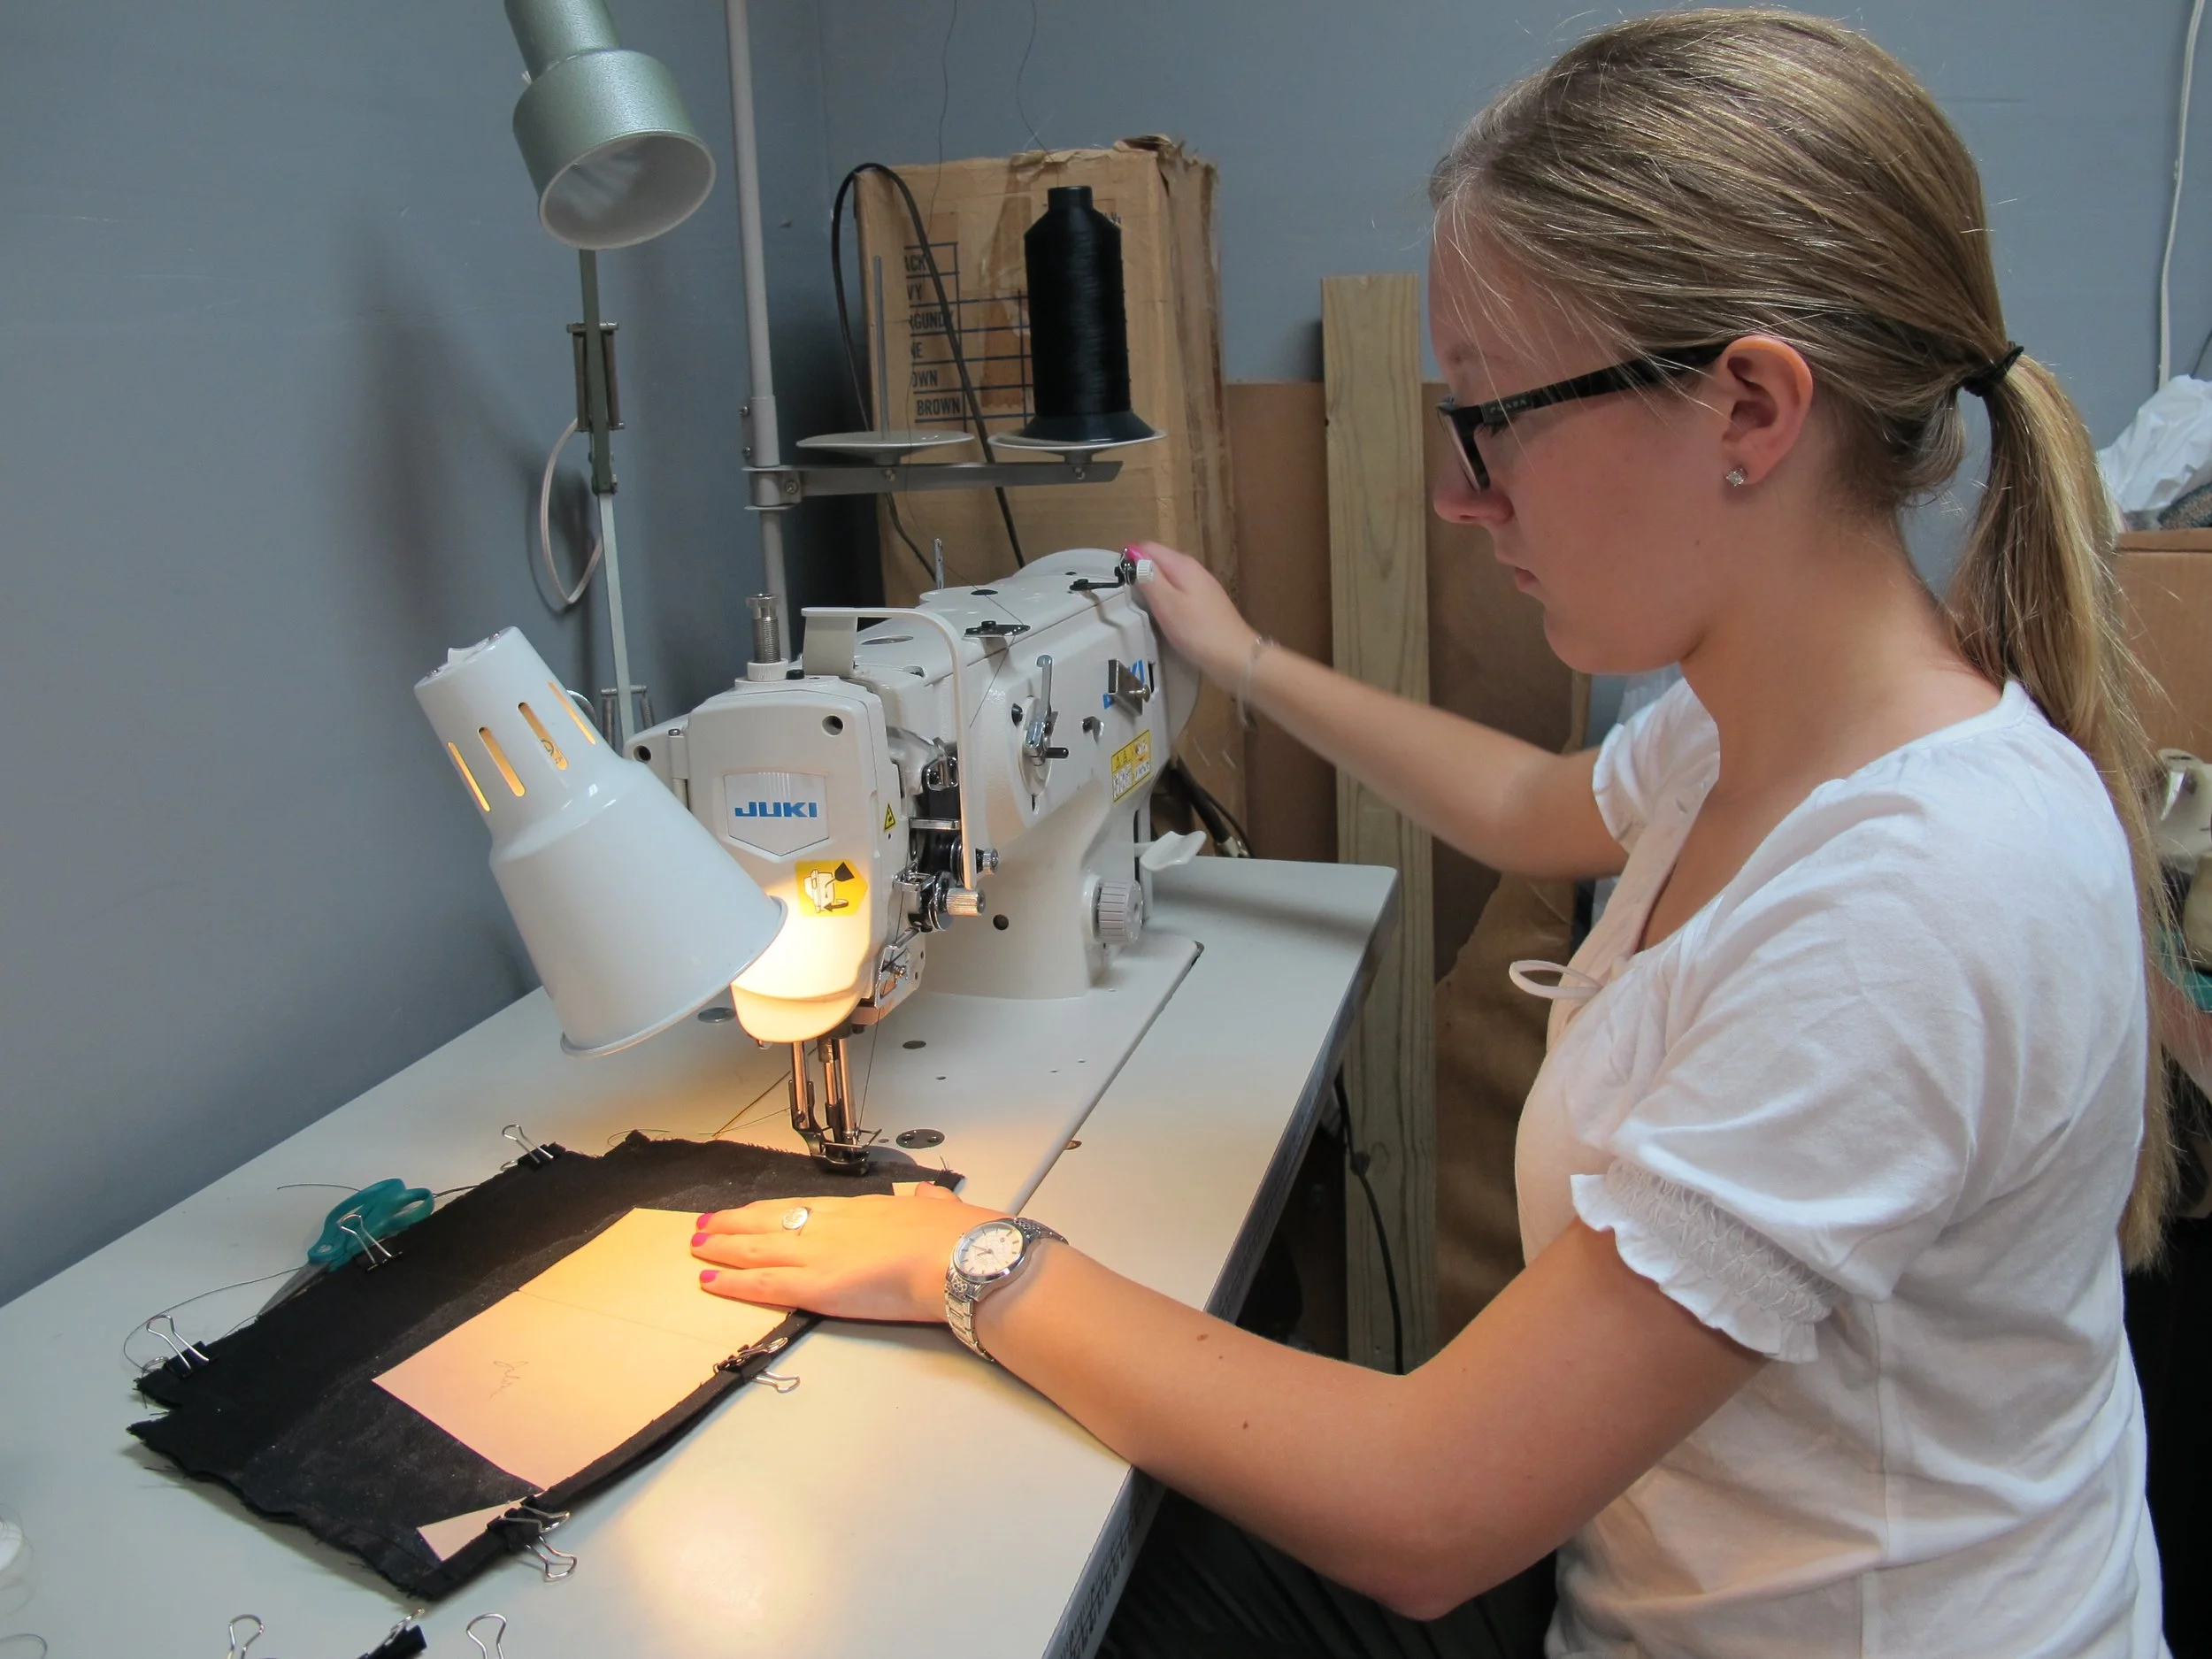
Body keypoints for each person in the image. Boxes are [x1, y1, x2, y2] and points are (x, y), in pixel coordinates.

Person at [691, 11, 2174, 1655]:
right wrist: (1246, 659)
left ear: (1749, 410)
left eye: (1493, 417)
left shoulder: (1919, 899)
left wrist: (964, 1259)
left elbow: (1430, 1507)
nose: (1466, 496)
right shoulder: (1769, 723)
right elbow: (1534, 805)